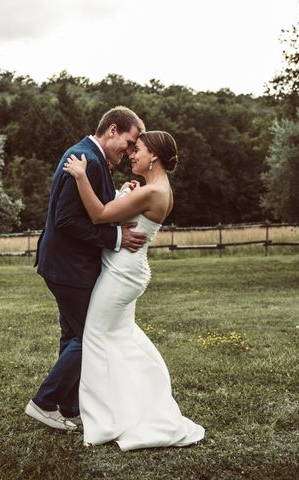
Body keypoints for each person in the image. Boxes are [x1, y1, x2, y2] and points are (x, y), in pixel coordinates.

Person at [62, 131, 205, 450]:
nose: (131, 154)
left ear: (154, 155)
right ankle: (136, 404)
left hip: (122, 273)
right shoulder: (157, 189)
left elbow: (99, 216)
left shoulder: (153, 191)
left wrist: (82, 176)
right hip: (127, 270)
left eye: (137, 149)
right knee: (121, 337)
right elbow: (122, 215)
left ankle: (105, 421)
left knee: (96, 337)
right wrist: (123, 193)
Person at [26, 106, 148, 431]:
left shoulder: (88, 157)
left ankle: (68, 407)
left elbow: (98, 206)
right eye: (130, 141)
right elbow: (67, 221)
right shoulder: (88, 161)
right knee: (90, 336)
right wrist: (116, 237)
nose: (131, 150)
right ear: (112, 130)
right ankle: (44, 402)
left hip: (62, 265)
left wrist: (120, 193)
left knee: (73, 336)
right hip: (70, 267)